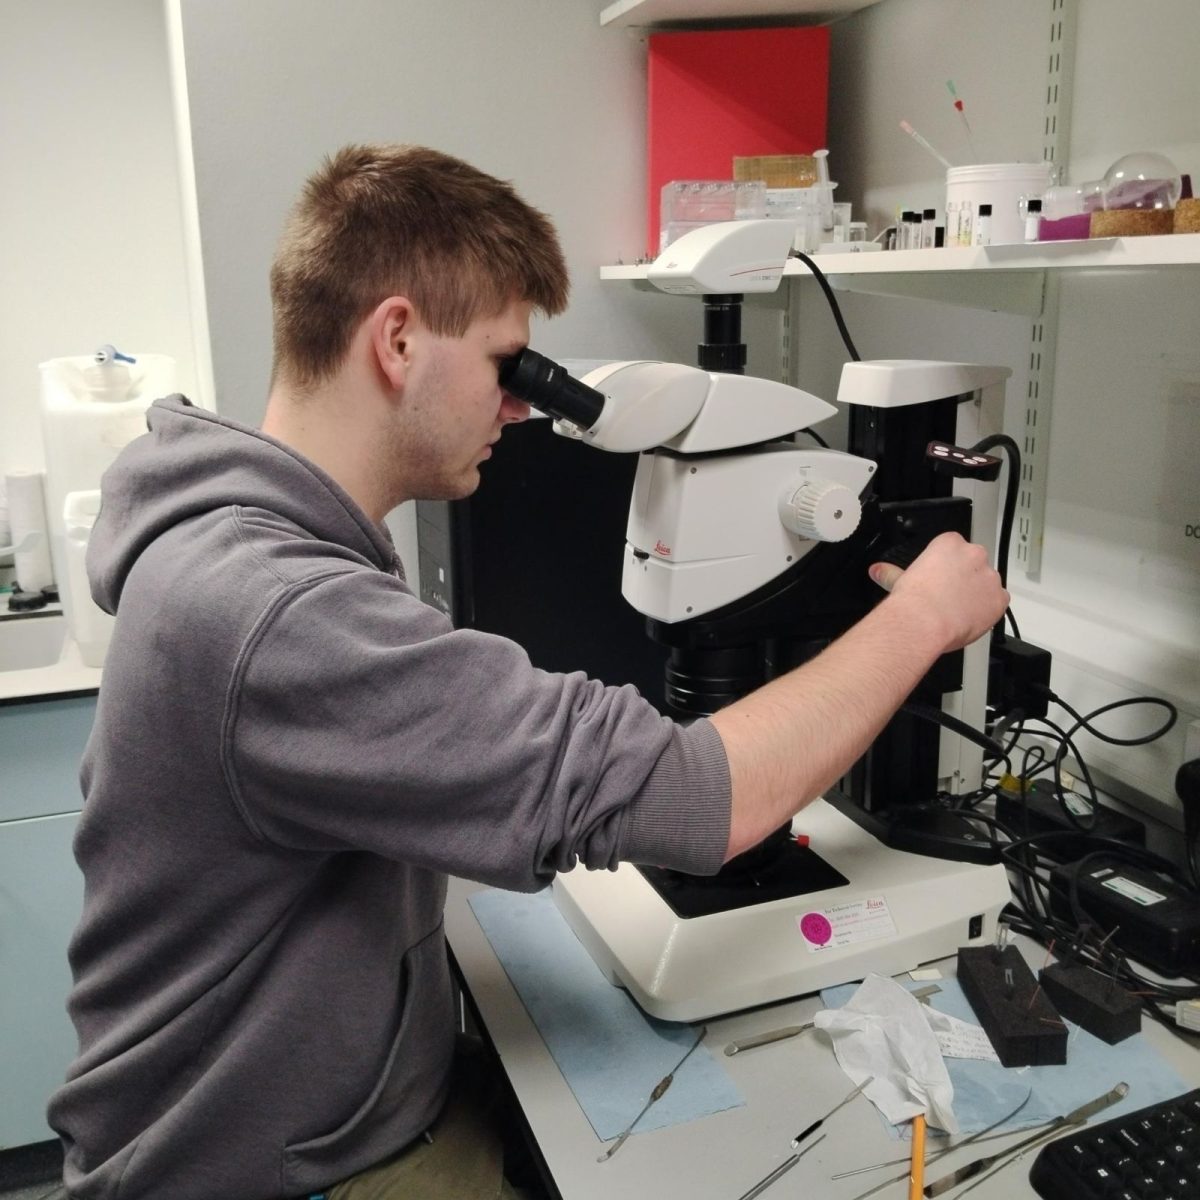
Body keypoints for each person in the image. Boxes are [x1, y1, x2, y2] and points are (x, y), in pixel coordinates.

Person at [48, 143, 1008, 1200]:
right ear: (398, 338)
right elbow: (704, 798)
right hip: (255, 1174)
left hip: (301, 1116)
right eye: (509, 364)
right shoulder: (277, 614)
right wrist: (920, 618)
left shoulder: (247, 543)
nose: (520, 407)